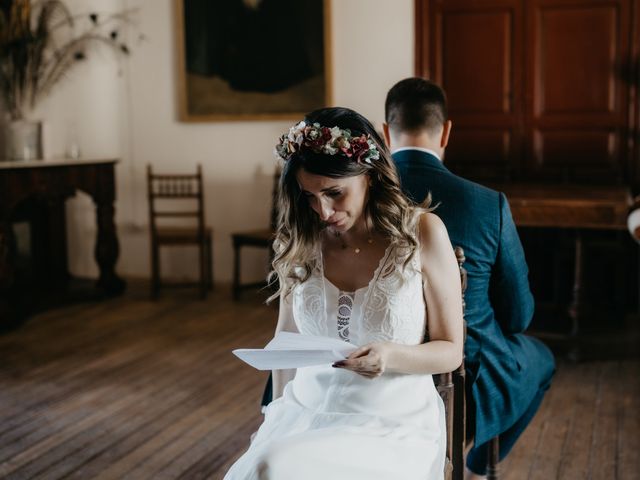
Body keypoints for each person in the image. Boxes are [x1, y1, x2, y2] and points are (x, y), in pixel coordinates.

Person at [225, 107, 464, 480]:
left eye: (335, 193)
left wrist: (389, 354)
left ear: (369, 175)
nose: (322, 210)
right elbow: (286, 341)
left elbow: (451, 351)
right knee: (266, 463)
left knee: (274, 469)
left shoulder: (423, 233)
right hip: (305, 407)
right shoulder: (299, 241)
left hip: (389, 418)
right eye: (309, 196)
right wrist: (273, 418)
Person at [383, 77, 556, 480]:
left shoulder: (358, 197)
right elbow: (519, 316)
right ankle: (478, 468)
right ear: (446, 131)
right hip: (467, 380)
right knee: (543, 361)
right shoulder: (487, 203)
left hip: (380, 360)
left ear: (384, 132)